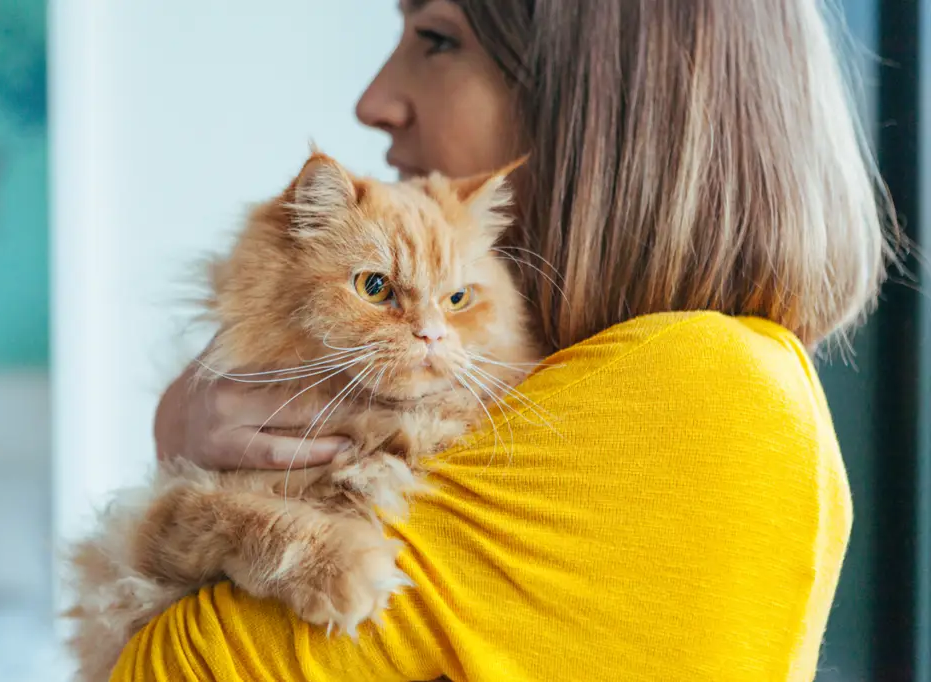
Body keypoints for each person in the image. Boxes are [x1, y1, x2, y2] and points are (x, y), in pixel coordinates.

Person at [116, 1, 898, 680]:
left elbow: (166, 669)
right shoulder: (603, 373)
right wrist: (187, 428)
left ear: (611, 90)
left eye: (437, 37)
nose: (374, 99)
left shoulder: (700, 385)